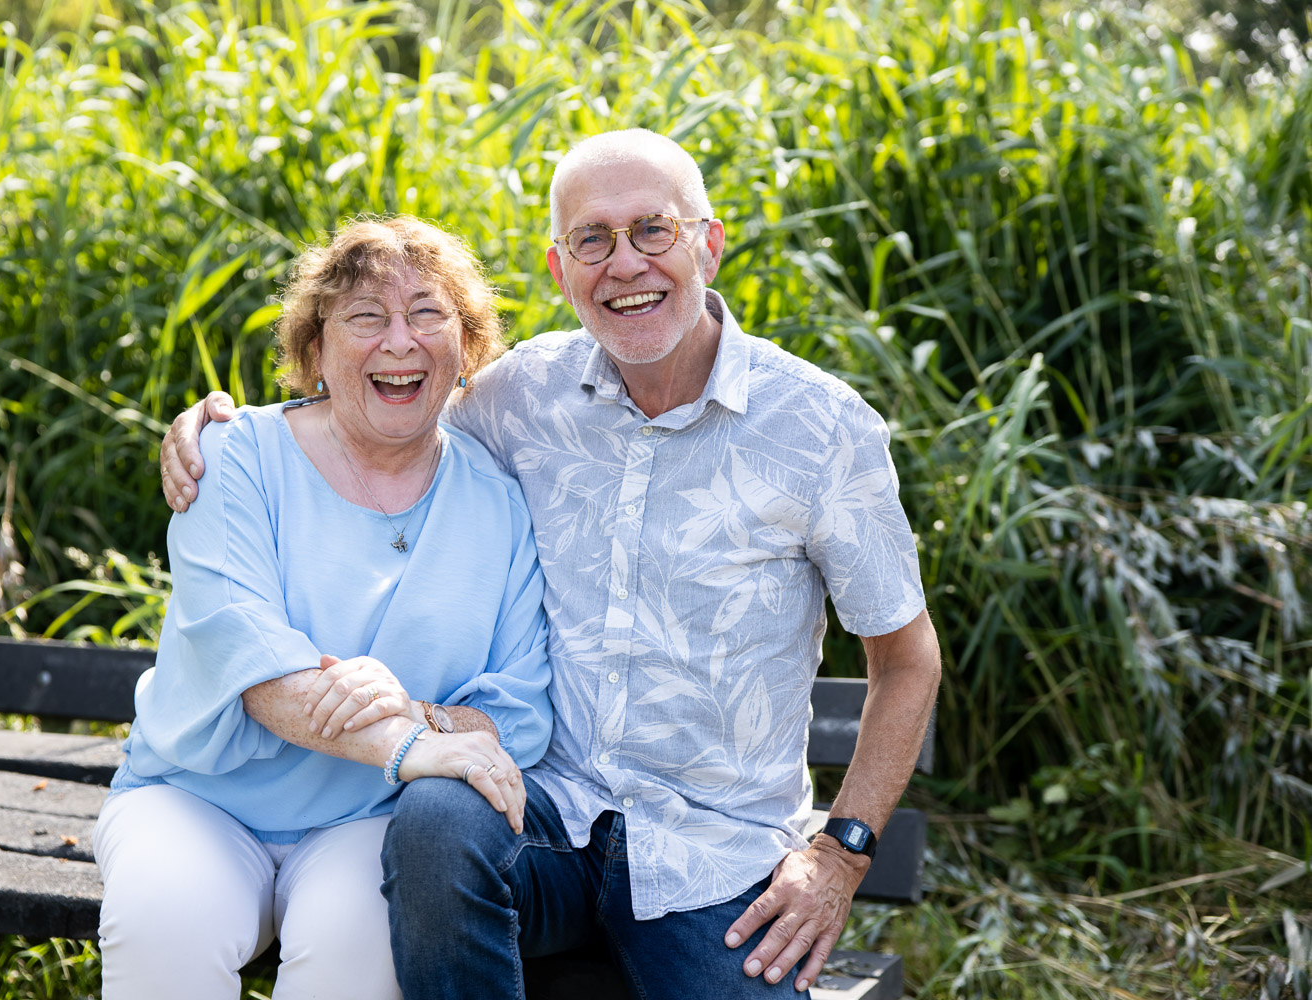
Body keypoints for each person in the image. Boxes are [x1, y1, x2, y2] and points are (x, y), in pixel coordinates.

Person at [160, 129, 942, 997]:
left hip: (712, 860)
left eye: (654, 230)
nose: (626, 264)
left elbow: (905, 661)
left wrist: (840, 853)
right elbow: (382, 401)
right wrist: (232, 430)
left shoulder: (821, 430)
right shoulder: (517, 397)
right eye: (592, 241)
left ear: (708, 244)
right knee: (433, 822)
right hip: (540, 817)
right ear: (560, 265)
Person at [98, 217, 553, 1000]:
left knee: (360, 953)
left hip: (367, 819)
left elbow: (519, 716)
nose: (399, 342)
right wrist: (414, 745)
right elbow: (256, 667)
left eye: (428, 314)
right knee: (162, 926)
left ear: (469, 347)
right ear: (314, 352)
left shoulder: (500, 504)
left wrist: (415, 712)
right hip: (199, 798)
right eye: (365, 318)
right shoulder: (232, 458)